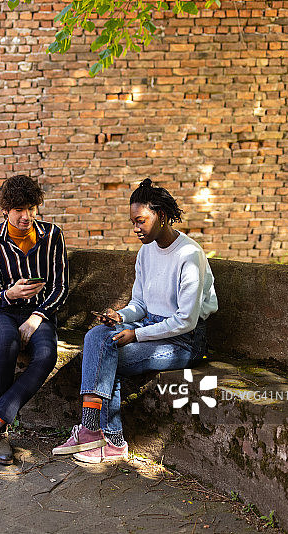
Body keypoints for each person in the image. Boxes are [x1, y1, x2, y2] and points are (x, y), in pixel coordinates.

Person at [53, 178, 217, 463]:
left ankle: (102, 435)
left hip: (184, 340)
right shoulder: (145, 253)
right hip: (152, 325)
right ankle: (97, 433)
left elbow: (186, 321)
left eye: (141, 221)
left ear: (161, 216)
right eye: (133, 222)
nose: (135, 228)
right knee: (95, 337)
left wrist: (136, 335)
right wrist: (120, 316)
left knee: (108, 357)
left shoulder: (189, 255)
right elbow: (140, 305)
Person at [0, 174, 69, 467]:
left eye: (31, 208)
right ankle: (2, 434)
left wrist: (36, 317)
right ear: (6, 210)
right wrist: (12, 292)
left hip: (41, 312)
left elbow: (60, 287)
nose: (26, 216)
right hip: (2, 312)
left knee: (46, 356)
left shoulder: (52, 236)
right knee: (7, 342)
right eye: (19, 210)